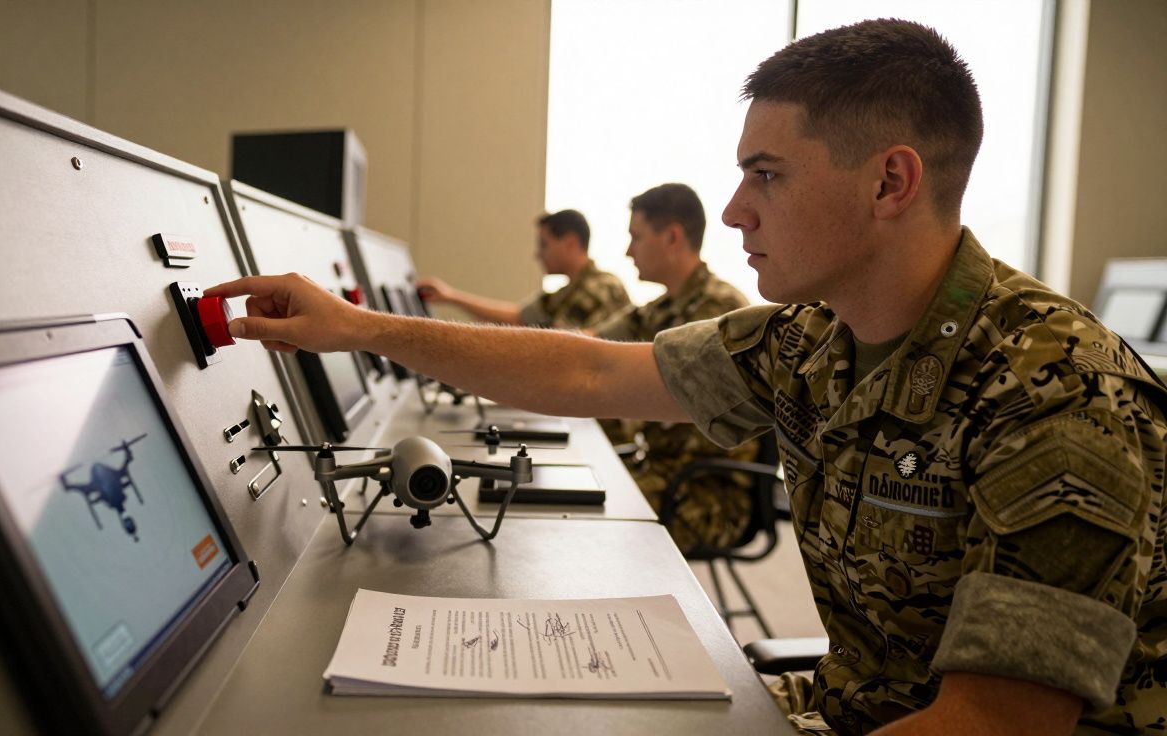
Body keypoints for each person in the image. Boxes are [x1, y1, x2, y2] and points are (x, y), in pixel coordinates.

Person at [205, 19, 1167, 736]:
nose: (737, 210)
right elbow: (587, 370)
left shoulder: (1054, 392)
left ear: (890, 183)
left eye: (768, 175)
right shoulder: (810, 341)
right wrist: (355, 328)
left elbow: (1001, 725)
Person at [593, 183, 758, 553]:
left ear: (672, 237)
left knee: (584, 517)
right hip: (662, 472)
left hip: (705, 493)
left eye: (636, 237)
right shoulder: (665, 308)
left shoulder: (719, 310)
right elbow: (591, 346)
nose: (628, 251)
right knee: (576, 496)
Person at [417, 209, 631, 330]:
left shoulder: (600, 288)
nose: (538, 254)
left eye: (544, 245)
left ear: (570, 243)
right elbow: (518, 317)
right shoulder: (569, 292)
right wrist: (451, 297)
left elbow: (559, 348)